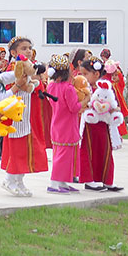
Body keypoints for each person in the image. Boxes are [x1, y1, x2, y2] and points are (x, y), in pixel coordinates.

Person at [0, 37, 47, 197]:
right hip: (16, 114)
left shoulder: (30, 67)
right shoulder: (15, 69)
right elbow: (14, 85)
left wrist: (34, 84)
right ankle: (9, 179)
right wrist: (29, 85)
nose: (28, 51)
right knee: (17, 148)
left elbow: (36, 83)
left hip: (28, 114)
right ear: (14, 52)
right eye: (24, 48)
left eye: (29, 48)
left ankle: (19, 180)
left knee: (27, 148)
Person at [78, 58, 122, 192]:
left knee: (105, 151)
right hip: (89, 125)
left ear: (96, 74)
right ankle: (89, 180)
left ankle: (107, 179)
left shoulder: (106, 88)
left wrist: (114, 109)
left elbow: (113, 102)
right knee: (88, 151)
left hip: (104, 125)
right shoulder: (84, 89)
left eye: (85, 74)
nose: (83, 77)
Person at [47, 54, 84, 193]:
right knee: (64, 155)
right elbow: (74, 107)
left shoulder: (51, 87)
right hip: (68, 125)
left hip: (57, 124)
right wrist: (85, 100)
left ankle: (62, 182)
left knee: (62, 154)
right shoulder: (68, 88)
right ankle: (54, 183)